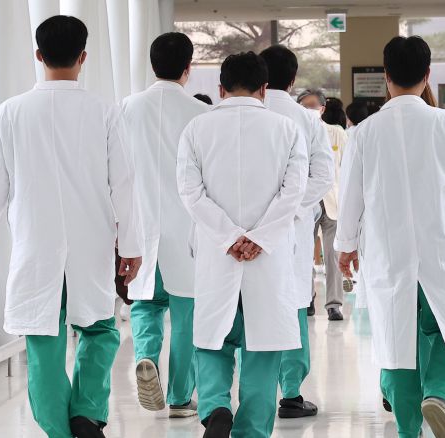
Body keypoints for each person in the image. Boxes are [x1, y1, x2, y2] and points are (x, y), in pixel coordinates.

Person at [0, 16, 143, 438]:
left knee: (43, 339)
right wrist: (131, 245)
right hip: (91, 240)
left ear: (38, 56)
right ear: (84, 57)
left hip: (35, 242)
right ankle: (86, 413)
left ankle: (61, 431)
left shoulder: (10, 112)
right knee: (100, 329)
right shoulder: (104, 111)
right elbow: (124, 183)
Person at [335, 36, 445, 438]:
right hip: (441, 245)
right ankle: (439, 392)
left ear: (386, 76)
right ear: (428, 75)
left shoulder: (364, 133)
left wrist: (345, 246)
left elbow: (350, 195)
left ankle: (409, 429)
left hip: (388, 252)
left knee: (396, 340)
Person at [177, 51, 308, 438]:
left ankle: (216, 407)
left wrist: (228, 236)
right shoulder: (287, 129)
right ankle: (251, 431)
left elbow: (190, 192)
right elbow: (293, 192)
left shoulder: (196, 129)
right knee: (263, 351)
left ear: (220, 89)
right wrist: (259, 238)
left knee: (213, 342)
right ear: (264, 89)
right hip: (266, 259)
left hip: (219, 255)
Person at [120, 32, 209, 418]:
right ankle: (179, 397)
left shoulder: (127, 108)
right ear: (188, 68)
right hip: (187, 228)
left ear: (152, 64)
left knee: (146, 303)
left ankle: (145, 356)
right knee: (187, 313)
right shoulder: (201, 113)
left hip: (141, 224)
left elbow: (116, 168)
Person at [259, 45, 334, 419]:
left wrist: (262, 214)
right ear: (292, 79)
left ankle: (255, 390)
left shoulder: (245, 114)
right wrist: (289, 208)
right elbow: (323, 176)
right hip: (293, 228)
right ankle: (291, 394)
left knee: (252, 305)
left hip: (246, 228)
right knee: (292, 303)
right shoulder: (308, 120)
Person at [298, 89, 349, 319]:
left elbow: (347, 167)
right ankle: (307, 298)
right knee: (303, 253)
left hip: (332, 202)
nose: (309, 110)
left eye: (313, 106)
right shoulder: (295, 130)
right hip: (305, 202)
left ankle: (334, 304)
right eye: (304, 106)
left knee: (332, 255)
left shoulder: (336, 133)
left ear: (323, 108)